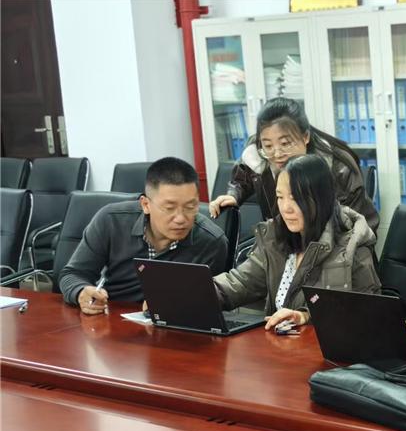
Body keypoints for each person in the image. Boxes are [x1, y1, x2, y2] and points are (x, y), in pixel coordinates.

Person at [213, 153, 380, 331]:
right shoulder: (275, 237)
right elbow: (240, 283)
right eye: (280, 197)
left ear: (321, 198)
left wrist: (306, 316)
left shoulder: (353, 247)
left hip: (327, 346)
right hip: (280, 344)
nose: (286, 208)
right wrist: (200, 291)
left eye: (295, 198)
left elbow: (367, 315)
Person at [60, 157, 228, 315]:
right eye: (169, 208)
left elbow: (214, 301)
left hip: (176, 326)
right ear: (146, 204)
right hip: (111, 317)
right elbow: (72, 274)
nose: (180, 218)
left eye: (190, 207)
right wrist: (80, 291)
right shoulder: (111, 221)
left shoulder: (211, 242)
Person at [208, 97, 379, 234]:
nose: (277, 154)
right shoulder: (258, 153)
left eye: (285, 143)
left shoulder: (337, 167)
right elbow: (243, 175)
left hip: (337, 252)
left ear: (305, 137)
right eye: (268, 145)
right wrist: (234, 195)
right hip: (284, 246)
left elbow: (359, 226)